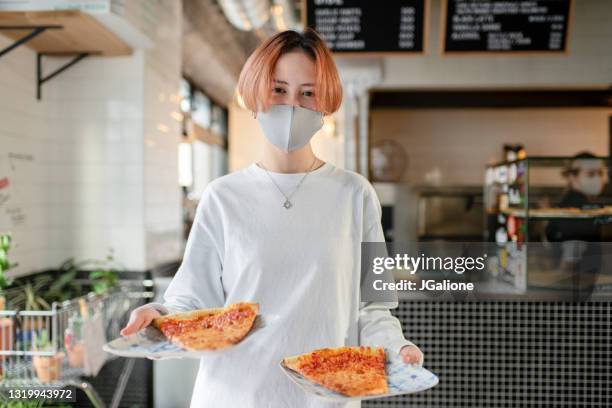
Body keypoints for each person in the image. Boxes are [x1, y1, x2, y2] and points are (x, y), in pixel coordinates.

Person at [120, 28, 423, 407]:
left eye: (307, 93)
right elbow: (191, 300)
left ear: (325, 102)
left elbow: (373, 306)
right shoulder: (222, 197)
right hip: (233, 396)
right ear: (256, 95)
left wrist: (397, 347)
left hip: (325, 401)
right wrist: (161, 318)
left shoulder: (355, 194)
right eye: (278, 89)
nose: (291, 105)